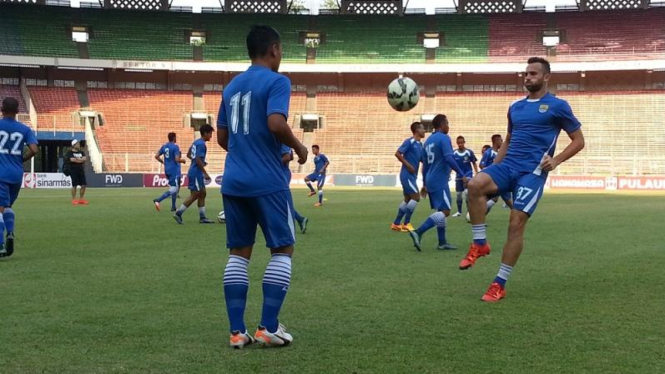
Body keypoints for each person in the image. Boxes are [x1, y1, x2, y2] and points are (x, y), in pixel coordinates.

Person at [463, 57, 585, 302]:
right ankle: (480, 244)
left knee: (515, 223)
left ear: (546, 77)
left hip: (532, 172)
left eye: (532, 74)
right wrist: (492, 169)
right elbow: (508, 140)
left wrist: (557, 160)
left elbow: (579, 141)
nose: (527, 78)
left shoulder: (558, 106)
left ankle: (499, 283)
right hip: (508, 166)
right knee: (475, 185)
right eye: (526, 74)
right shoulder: (515, 107)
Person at [217, 25, 308, 348]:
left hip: (233, 181)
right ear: (273, 49)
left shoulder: (230, 88)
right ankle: (268, 327)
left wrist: (247, 152)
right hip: (267, 181)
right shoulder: (277, 81)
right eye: (281, 50)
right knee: (282, 249)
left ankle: (237, 332)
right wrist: (298, 148)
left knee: (239, 253)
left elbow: (223, 138)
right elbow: (275, 122)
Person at [408, 114, 466, 251]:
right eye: (447, 123)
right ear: (442, 124)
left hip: (431, 178)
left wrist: (425, 183)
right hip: (439, 179)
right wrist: (462, 174)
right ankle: (418, 231)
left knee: (440, 210)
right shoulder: (444, 138)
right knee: (445, 211)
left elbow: (425, 165)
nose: (448, 126)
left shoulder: (428, 141)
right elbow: (449, 158)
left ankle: (442, 242)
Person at [0, 98, 38, 258]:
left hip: (0, 173)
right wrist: (22, 159)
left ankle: (1, 244)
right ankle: (10, 233)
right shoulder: (24, 129)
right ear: (17, 112)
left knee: (0, 210)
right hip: (16, 173)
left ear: (2, 109)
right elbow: (34, 149)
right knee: (7, 207)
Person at [173, 125, 215, 224]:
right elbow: (197, 159)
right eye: (210, 134)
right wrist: (205, 172)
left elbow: (188, 154)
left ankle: (202, 217)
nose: (211, 136)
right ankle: (178, 213)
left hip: (195, 171)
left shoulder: (196, 142)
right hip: (196, 173)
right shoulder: (201, 145)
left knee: (203, 193)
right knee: (195, 194)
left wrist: (198, 161)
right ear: (205, 133)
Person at [391, 122, 425, 232]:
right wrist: (408, 165)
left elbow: (421, 159)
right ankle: (406, 223)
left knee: (407, 199)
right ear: (417, 130)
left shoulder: (420, 145)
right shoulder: (409, 141)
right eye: (423, 128)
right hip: (406, 175)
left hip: (412, 176)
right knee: (416, 197)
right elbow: (397, 153)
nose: (424, 131)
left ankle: (396, 223)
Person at [479, 134, 514, 214]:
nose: (502, 142)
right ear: (497, 141)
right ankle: (479, 212)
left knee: (506, 200)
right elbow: (481, 165)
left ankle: (480, 214)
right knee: (495, 198)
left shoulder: (500, 153)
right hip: (493, 179)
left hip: (501, 178)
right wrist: (489, 172)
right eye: (501, 140)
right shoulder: (489, 153)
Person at [153, 132, 186, 212]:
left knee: (173, 187)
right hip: (174, 170)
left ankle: (173, 206)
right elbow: (177, 159)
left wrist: (163, 162)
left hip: (167, 170)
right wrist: (183, 161)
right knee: (174, 189)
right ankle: (158, 200)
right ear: (174, 138)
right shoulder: (175, 147)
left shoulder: (164, 146)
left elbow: (156, 156)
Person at [281, 145, 309, 234]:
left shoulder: (282, 142)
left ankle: (299, 219)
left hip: (281, 173)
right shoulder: (285, 142)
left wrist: (271, 163)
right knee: (280, 201)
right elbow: (291, 156)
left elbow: (287, 157)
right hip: (282, 173)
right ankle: (300, 219)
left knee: (282, 202)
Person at [451, 136, 478, 217]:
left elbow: (474, 162)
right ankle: (459, 211)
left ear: (464, 142)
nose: (460, 144)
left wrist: (477, 172)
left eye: (461, 143)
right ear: (457, 143)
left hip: (468, 175)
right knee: (459, 194)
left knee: (467, 193)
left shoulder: (469, 152)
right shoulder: (454, 153)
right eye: (458, 143)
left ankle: (469, 212)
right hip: (459, 176)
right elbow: (451, 165)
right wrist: (449, 173)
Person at [67, 139, 88, 205]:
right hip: (73, 170)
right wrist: (80, 160)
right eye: (77, 144)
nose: (79, 145)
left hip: (81, 170)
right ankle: (74, 199)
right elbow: (72, 160)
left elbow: (84, 159)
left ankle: (81, 199)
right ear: (74, 145)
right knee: (74, 185)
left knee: (83, 185)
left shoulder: (81, 152)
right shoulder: (70, 152)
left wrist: (78, 159)